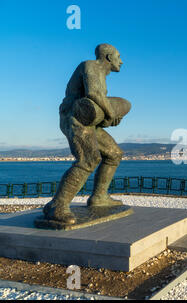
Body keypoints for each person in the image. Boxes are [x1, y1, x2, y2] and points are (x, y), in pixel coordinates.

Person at [43, 44, 131, 225]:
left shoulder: (101, 74)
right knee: (88, 159)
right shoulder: (90, 65)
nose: (121, 61)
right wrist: (111, 113)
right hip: (74, 118)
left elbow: (98, 105)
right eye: (118, 56)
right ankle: (57, 205)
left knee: (114, 154)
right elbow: (93, 93)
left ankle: (99, 197)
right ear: (108, 57)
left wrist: (110, 118)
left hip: (89, 123)